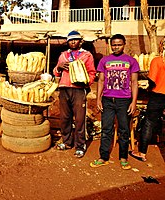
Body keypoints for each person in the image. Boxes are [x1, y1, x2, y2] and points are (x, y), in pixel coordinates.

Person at [90, 34, 139, 170]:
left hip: (124, 101)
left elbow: (134, 82)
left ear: (124, 45)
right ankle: (103, 157)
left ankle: (123, 157)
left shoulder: (131, 61)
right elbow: (100, 80)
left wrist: (133, 102)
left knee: (124, 130)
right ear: (110, 45)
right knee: (106, 129)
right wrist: (98, 98)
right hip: (107, 100)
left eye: (119, 44)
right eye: (114, 44)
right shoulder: (104, 61)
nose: (116, 47)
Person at [53, 30, 96, 158]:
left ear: (80, 41)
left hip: (78, 89)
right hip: (64, 88)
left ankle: (80, 146)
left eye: (75, 40)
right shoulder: (63, 56)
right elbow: (56, 73)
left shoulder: (87, 55)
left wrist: (85, 81)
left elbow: (92, 73)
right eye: (70, 40)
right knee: (65, 118)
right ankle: (66, 142)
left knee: (79, 119)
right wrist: (59, 67)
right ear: (67, 42)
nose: (73, 42)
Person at [129, 38, 165, 162]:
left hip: (158, 95)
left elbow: (152, 80)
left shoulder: (157, 61)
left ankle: (142, 153)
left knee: (149, 122)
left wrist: (149, 88)